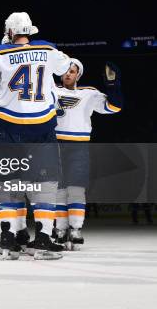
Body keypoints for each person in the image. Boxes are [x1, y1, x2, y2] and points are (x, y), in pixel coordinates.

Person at [0, 12, 69, 260]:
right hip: (41, 125)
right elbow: (65, 66)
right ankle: (43, 239)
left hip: (8, 125)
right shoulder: (48, 49)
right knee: (45, 183)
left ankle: (8, 238)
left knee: (7, 183)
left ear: (10, 32)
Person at [53, 58, 123, 249]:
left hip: (79, 145)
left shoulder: (89, 93)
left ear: (79, 74)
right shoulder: (50, 90)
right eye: (66, 71)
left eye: (72, 71)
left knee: (75, 188)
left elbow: (114, 107)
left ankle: (75, 228)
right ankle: (60, 228)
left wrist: (112, 85)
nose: (68, 74)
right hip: (55, 144)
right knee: (58, 190)